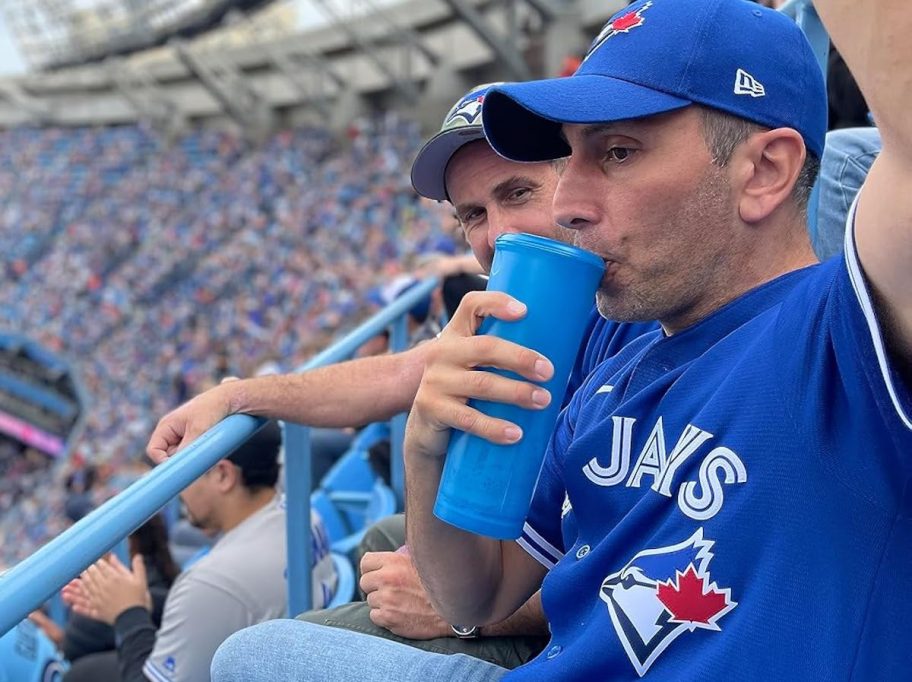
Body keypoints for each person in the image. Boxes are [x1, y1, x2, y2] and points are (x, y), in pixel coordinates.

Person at [210, 0, 912, 679]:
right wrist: (425, 449)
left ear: (763, 171)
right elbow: (471, 599)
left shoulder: (846, 333)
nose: (568, 206)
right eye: (570, 159)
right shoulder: (615, 374)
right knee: (250, 654)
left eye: (617, 153)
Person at [63, 422, 337, 682]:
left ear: (223, 475)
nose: (179, 489)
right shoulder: (301, 511)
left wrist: (129, 615)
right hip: (304, 651)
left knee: (81, 674)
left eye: (187, 471)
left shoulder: (210, 582)